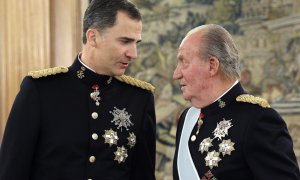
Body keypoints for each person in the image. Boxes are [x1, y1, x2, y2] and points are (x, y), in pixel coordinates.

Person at [0, 0, 156, 179]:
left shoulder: (139, 98)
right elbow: (12, 171)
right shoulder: (40, 90)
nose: (133, 53)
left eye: (137, 43)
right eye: (125, 41)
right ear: (93, 37)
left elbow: (143, 174)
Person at [172, 24, 300, 180]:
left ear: (212, 65)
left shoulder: (257, 118)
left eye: (184, 62)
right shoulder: (188, 118)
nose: (176, 74)